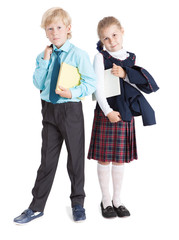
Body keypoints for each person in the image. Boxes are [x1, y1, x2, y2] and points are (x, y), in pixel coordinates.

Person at [14, 7, 96, 224]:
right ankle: (36, 207)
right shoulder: (44, 55)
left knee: (75, 159)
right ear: (45, 32)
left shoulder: (78, 54)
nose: (54, 32)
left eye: (59, 27)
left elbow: (90, 82)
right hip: (49, 110)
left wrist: (73, 92)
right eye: (50, 29)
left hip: (70, 110)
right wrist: (44, 60)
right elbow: (38, 84)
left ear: (68, 29)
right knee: (47, 161)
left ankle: (78, 203)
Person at [88, 16, 159, 218]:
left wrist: (125, 75)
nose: (111, 41)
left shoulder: (131, 58)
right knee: (104, 159)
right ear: (101, 41)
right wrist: (108, 111)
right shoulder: (100, 57)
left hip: (125, 112)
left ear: (122, 32)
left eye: (114, 35)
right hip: (107, 113)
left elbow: (137, 86)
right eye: (106, 38)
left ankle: (117, 200)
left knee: (119, 160)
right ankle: (105, 200)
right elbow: (98, 88)